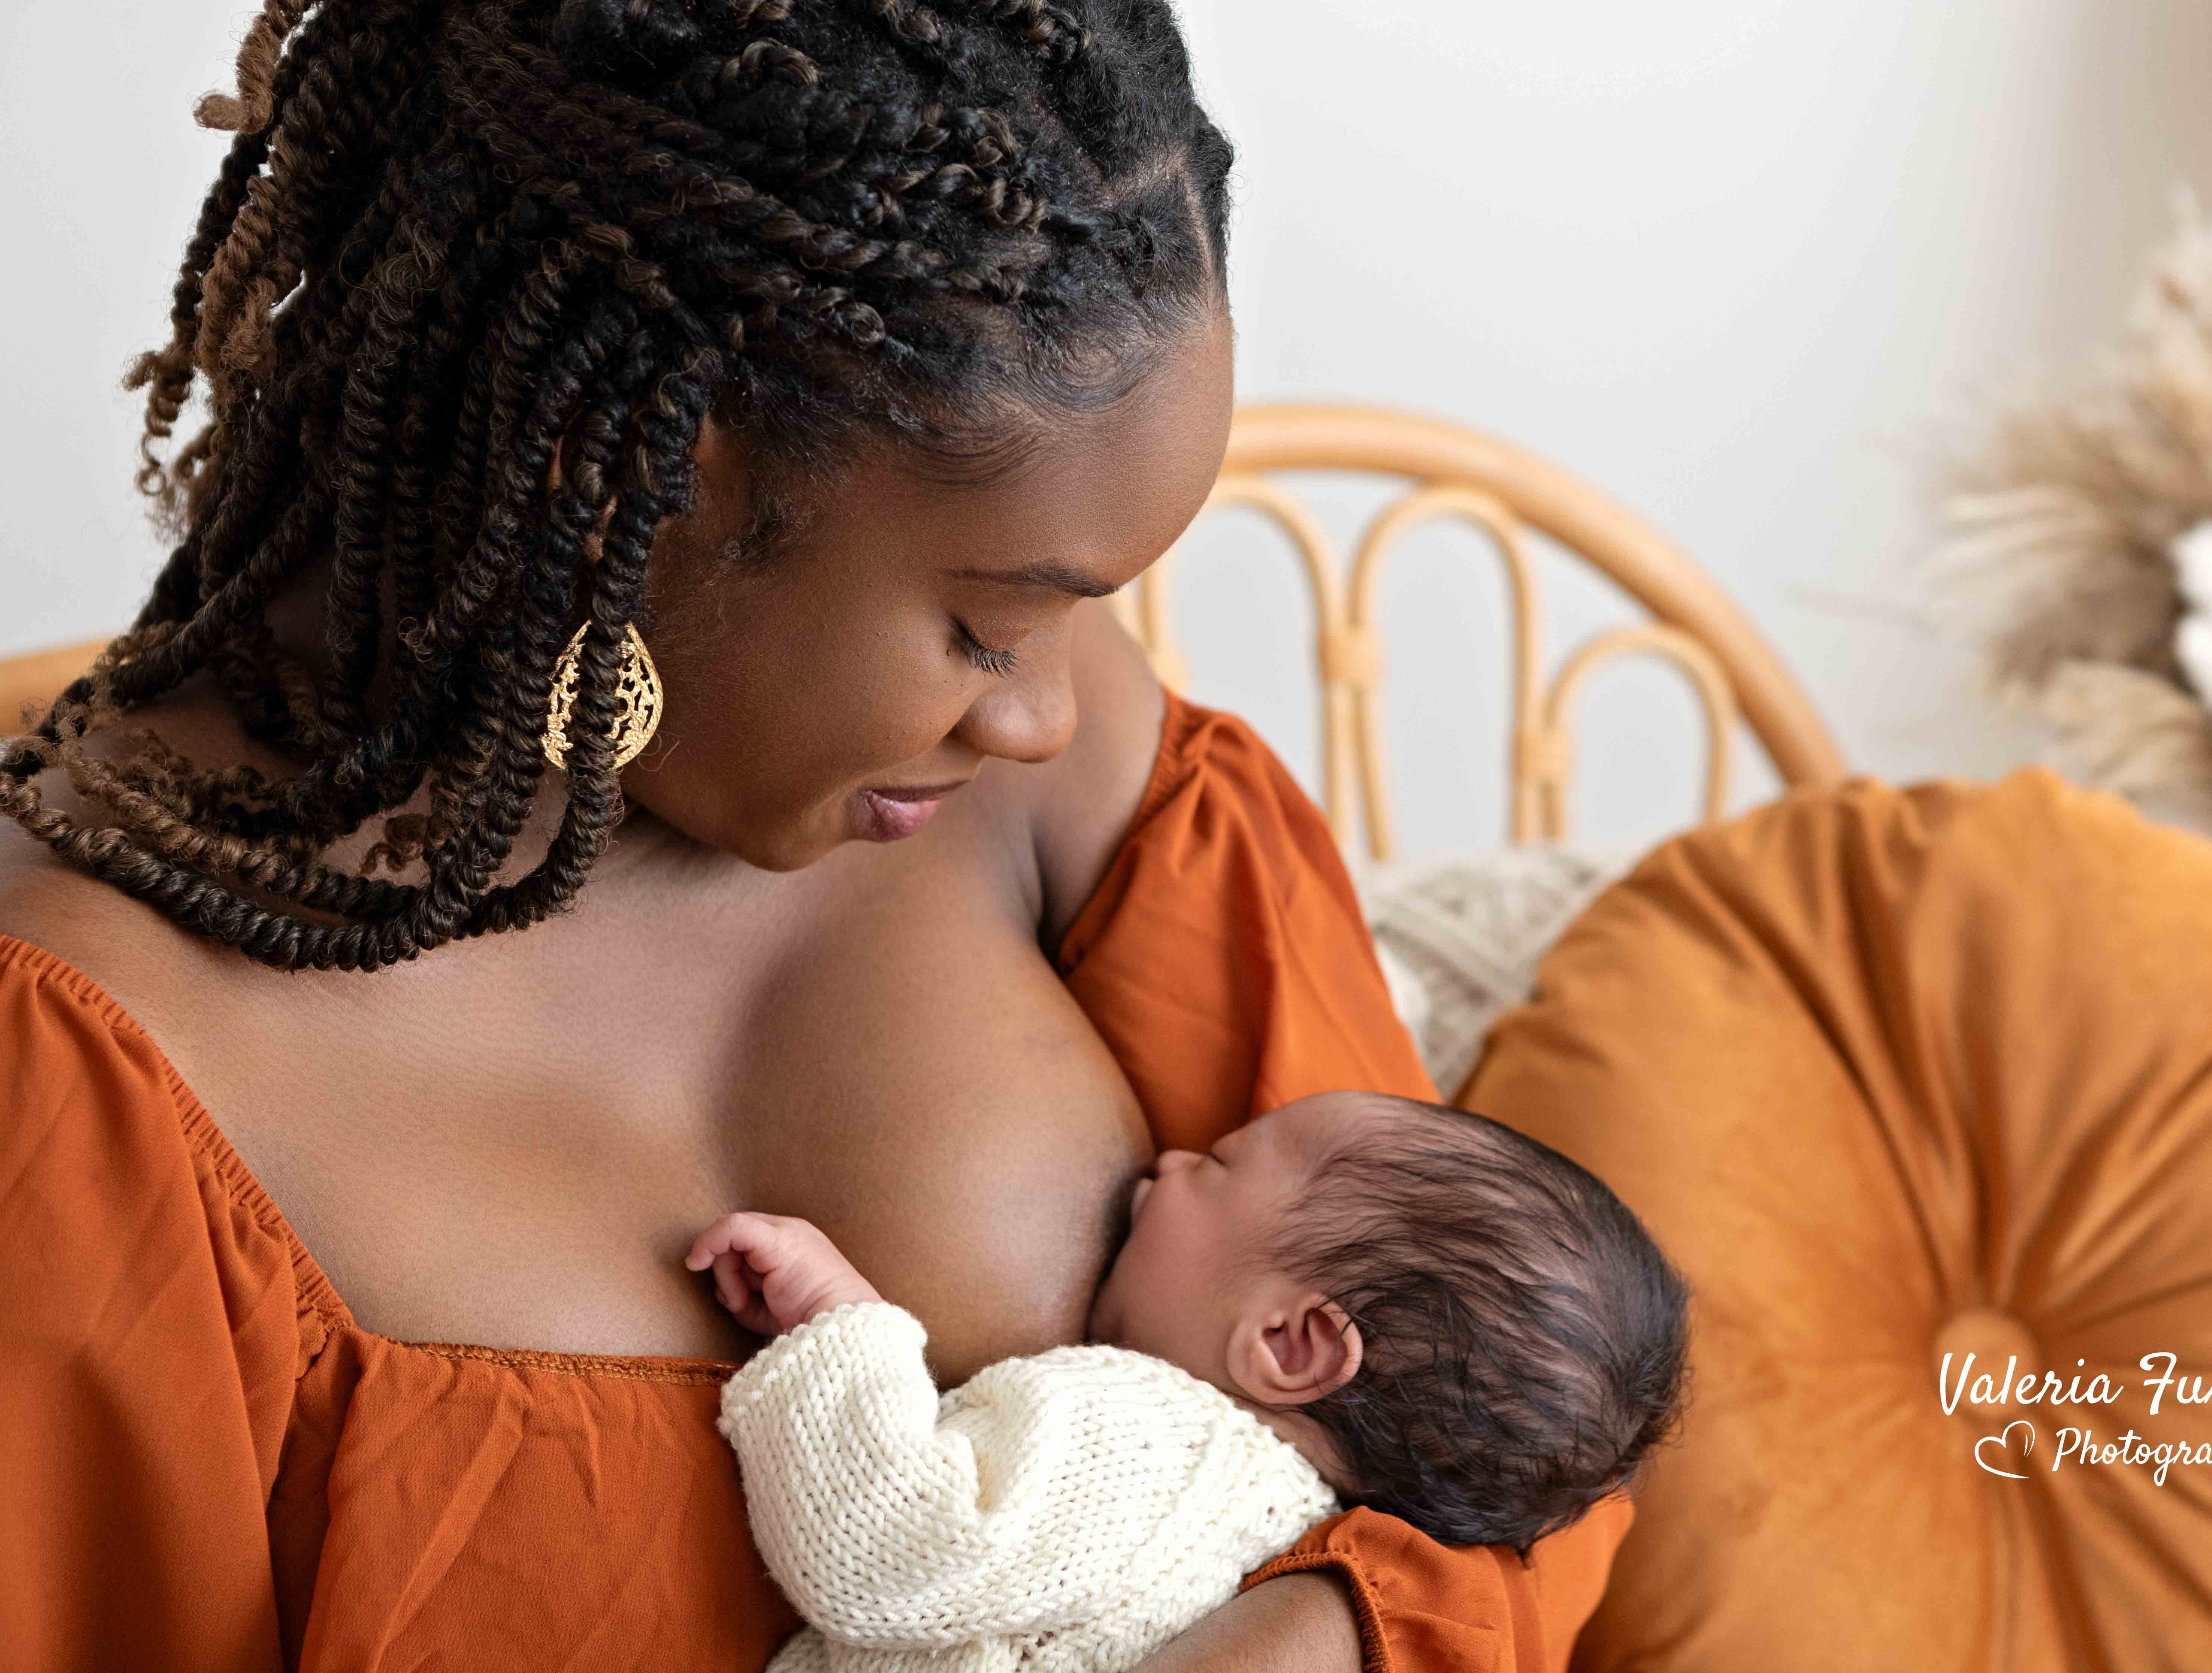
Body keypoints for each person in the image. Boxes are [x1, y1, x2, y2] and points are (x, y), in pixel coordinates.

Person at [0, 2, 1630, 1669]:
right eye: (992, 627)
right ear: (628, 475)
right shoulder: (87, 1071)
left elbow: (1509, 1453)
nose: (1049, 714)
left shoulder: (1071, 794)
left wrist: (1315, 1643)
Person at [686, 1093, 1688, 1672]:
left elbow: (896, 1554)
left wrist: (842, 1324)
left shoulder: (1157, 1437)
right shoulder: (1277, 1534)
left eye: (1216, 1164)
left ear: (1289, 1343)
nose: (1164, 1161)